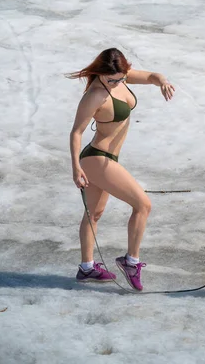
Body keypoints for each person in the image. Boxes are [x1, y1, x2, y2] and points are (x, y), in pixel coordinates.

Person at [68, 47, 175, 291]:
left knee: (94, 214)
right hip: (97, 158)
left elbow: (150, 76)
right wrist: (76, 168)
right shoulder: (95, 95)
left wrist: (162, 82)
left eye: (120, 77)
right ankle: (131, 262)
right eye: (110, 79)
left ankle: (86, 268)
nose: (116, 82)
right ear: (101, 73)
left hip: (109, 159)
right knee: (143, 205)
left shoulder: (121, 76)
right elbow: (76, 132)